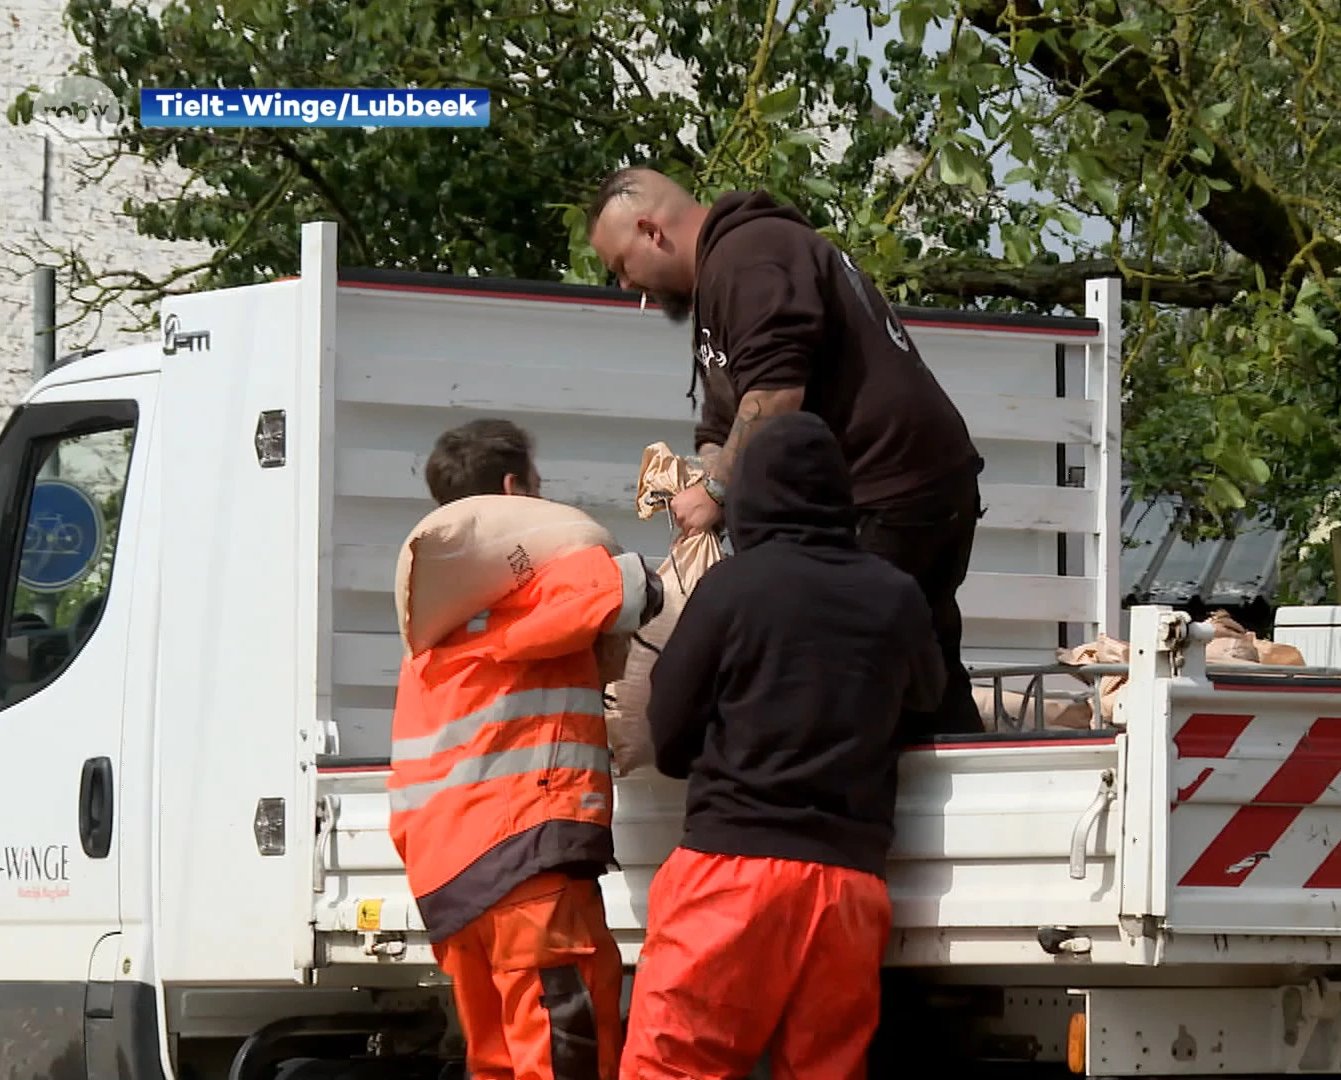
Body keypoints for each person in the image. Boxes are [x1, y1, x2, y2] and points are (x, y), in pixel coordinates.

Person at [586, 166, 985, 739]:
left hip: (888, 493)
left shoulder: (749, 256)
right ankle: (953, 796)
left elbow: (775, 394)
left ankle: (855, 808)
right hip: (907, 490)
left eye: (622, 266)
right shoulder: (728, 272)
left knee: (844, 684)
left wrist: (718, 491)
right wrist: (704, 472)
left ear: (651, 231)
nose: (627, 286)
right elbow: (728, 415)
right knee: (913, 685)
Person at [617, 411, 946, 1080]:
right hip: (849, 885)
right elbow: (927, 698)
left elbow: (667, 720)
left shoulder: (733, 587)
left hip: (732, 869)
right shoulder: (894, 594)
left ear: (752, 497)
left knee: (677, 1064)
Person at [389, 417, 663, 1080]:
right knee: (561, 1052)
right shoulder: (527, 599)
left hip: (450, 882)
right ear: (515, 492)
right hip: (525, 868)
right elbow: (633, 588)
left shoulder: (433, 640)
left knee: (497, 1064)